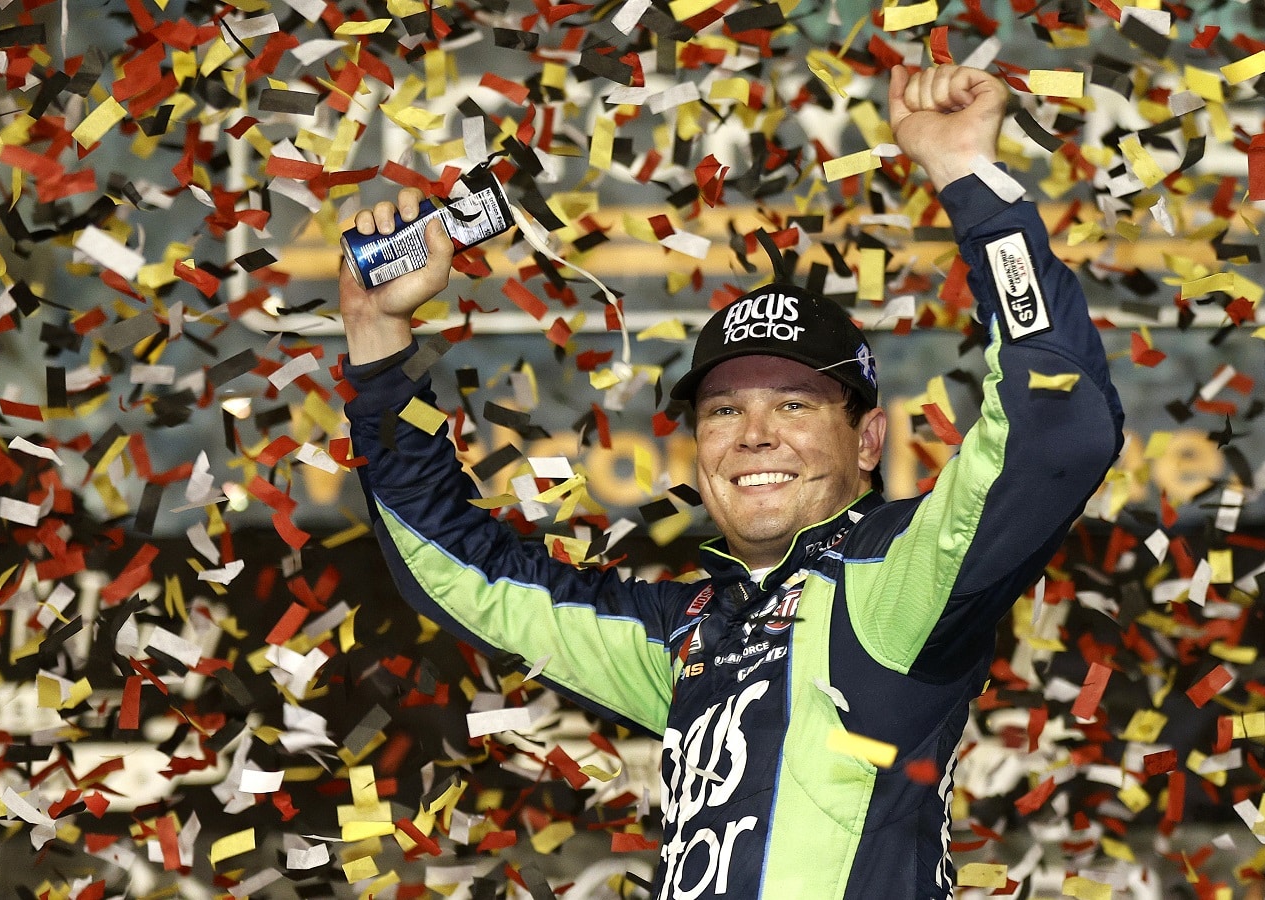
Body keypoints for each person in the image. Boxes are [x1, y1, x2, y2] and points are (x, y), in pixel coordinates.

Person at [339, 63, 1123, 900]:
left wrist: (968, 175)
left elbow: (1057, 427)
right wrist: (378, 337)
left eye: (794, 402)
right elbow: (459, 569)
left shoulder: (895, 579)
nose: (753, 435)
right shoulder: (683, 636)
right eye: (721, 412)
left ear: (869, 441)